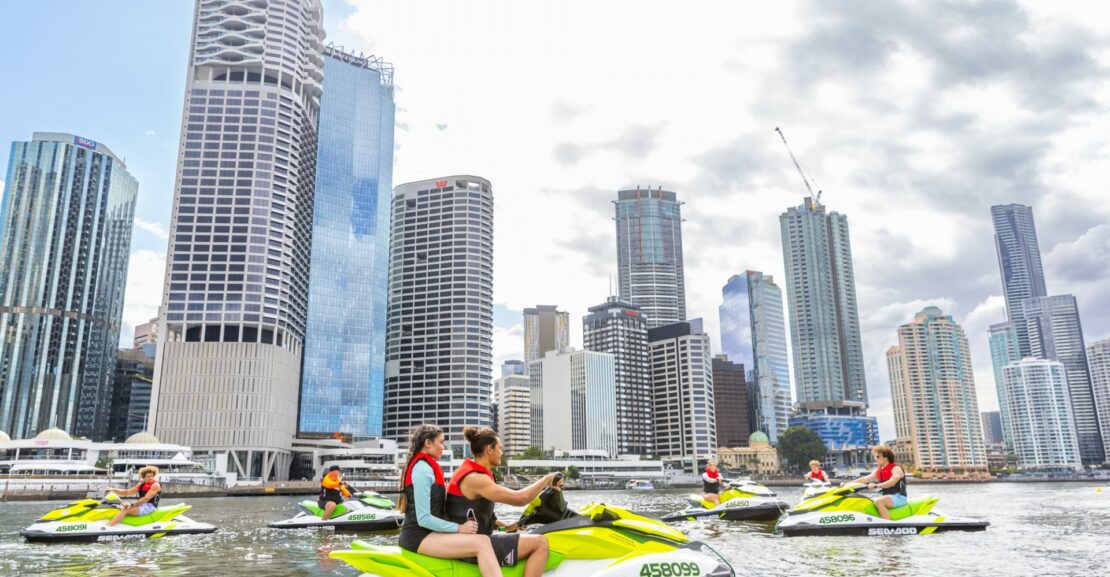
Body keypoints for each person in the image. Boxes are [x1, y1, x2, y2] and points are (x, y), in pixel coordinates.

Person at [446, 427, 558, 575]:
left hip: (471, 540)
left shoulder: (474, 473)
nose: (502, 453)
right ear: (489, 449)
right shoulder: (476, 478)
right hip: (471, 546)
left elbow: (471, 510)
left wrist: (503, 524)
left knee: (530, 534)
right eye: (500, 448)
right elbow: (521, 498)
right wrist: (546, 479)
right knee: (540, 543)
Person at [397, 424, 500, 577]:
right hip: (418, 536)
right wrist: (459, 528)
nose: (443, 447)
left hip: (432, 533)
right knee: (482, 543)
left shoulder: (428, 467)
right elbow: (424, 519)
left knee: (483, 538)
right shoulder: (422, 470)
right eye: (441, 442)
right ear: (428, 443)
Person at [845, 445, 908, 520]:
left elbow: (893, 481)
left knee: (879, 502)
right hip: (887, 496)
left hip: (899, 497)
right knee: (866, 501)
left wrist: (877, 485)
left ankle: (887, 525)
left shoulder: (896, 468)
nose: (876, 459)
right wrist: (848, 484)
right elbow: (865, 479)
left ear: (886, 457)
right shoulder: (880, 470)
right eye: (874, 457)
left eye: (878, 457)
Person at [513, 472, 580, 529]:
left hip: (547, 516)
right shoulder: (553, 491)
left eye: (562, 481)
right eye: (560, 481)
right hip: (551, 516)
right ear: (555, 482)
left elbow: (530, 507)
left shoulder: (549, 492)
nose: (562, 484)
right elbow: (561, 508)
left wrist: (522, 519)